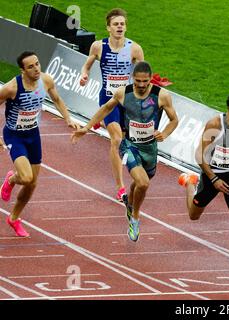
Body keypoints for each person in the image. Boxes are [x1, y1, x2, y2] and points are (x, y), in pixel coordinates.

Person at [72, 61, 178, 242]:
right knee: (143, 183)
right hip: (129, 145)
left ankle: (129, 201)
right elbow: (105, 109)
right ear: (132, 79)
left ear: (150, 79)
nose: (142, 85)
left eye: (145, 81)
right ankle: (135, 218)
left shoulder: (162, 96)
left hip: (150, 148)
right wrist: (86, 127)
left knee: (138, 185)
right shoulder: (123, 93)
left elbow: (174, 119)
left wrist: (165, 133)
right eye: (138, 81)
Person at [178, 93, 229, 290]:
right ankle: (190, 183)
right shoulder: (215, 125)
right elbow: (200, 155)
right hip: (211, 175)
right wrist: (213, 179)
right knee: (193, 215)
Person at [0, 51, 79, 237]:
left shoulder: (46, 80)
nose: (36, 69)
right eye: (30, 66)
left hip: (33, 135)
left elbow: (57, 99)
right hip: (14, 136)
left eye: (37, 64)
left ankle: (14, 218)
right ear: (22, 70)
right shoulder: (11, 88)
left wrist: (68, 118)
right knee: (26, 177)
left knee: (32, 183)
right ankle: (11, 179)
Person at [79, 8, 144, 202]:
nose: (120, 27)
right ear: (108, 27)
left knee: (127, 140)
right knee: (116, 139)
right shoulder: (98, 47)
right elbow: (87, 65)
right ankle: (120, 188)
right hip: (108, 100)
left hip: (128, 101)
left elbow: (143, 74)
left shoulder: (135, 49)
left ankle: (101, 123)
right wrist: (84, 75)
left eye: (122, 24)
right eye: (116, 24)